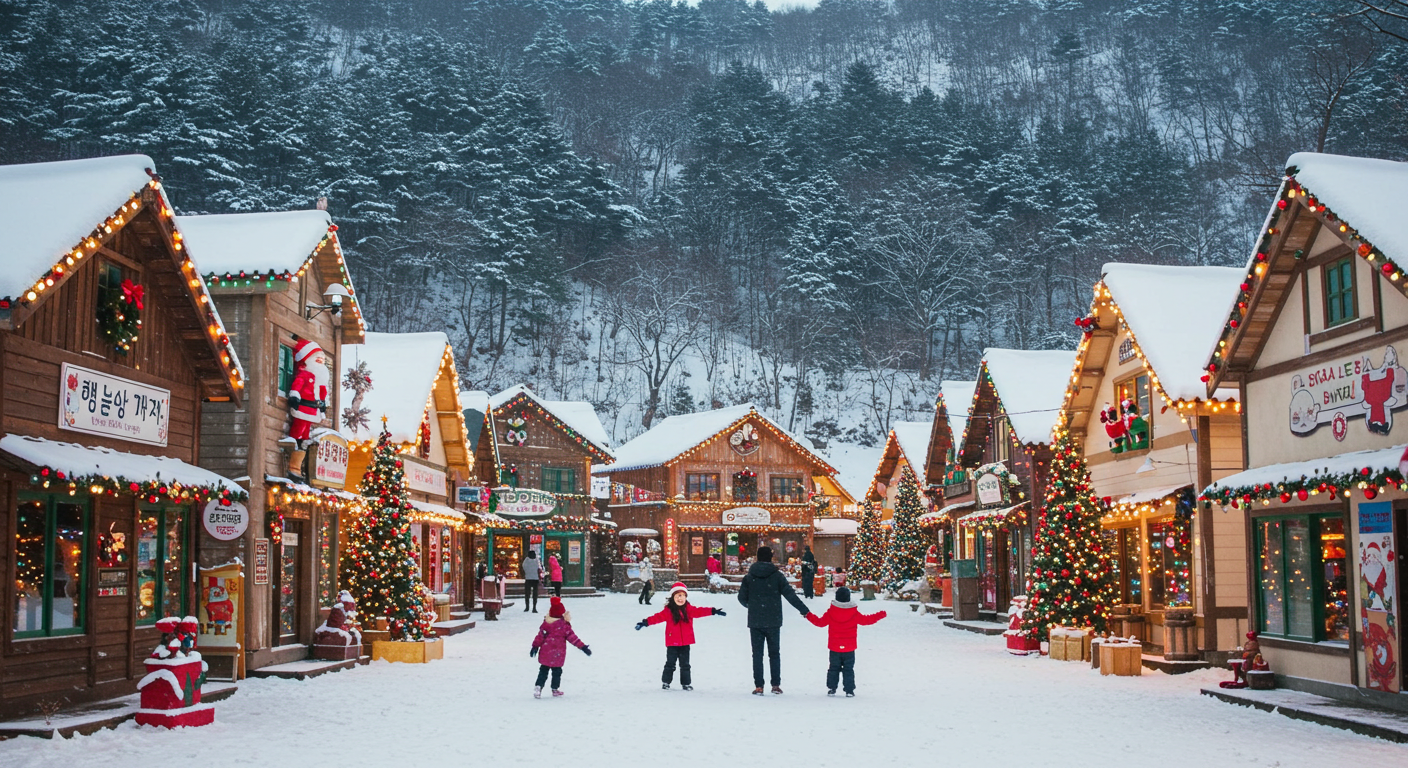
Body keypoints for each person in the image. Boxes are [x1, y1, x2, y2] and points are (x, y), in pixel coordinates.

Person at [737, 546, 810, 695]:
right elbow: (790, 595)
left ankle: (759, 686)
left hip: (755, 620)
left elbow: (741, 598)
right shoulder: (777, 576)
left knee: (757, 654)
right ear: (770, 558)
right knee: (774, 653)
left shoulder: (749, 576)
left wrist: (752, 606)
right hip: (773, 620)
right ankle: (775, 685)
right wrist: (804, 610)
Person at [637, 582, 726, 690]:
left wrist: (713, 611)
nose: (681, 598)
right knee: (670, 664)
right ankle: (666, 682)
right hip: (672, 642)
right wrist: (645, 622)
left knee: (685, 665)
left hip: (685, 642)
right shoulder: (668, 610)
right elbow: (657, 617)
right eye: (678, 596)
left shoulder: (689, 609)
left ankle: (686, 683)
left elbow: (700, 611)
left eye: (683, 596)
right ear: (673, 597)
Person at [805, 586, 886, 697]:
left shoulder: (831, 612)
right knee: (848, 669)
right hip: (849, 647)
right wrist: (880, 615)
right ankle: (849, 690)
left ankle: (832, 688)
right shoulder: (854, 613)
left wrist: (808, 615)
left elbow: (820, 622)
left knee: (833, 668)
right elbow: (867, 620)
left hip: (834, 647)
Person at [530, 597, 591, 698]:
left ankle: (538, 687)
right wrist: (583, 647)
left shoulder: (546, 624)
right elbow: (573, 638)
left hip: (546, 652)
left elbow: (540, 636)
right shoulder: (564, 626)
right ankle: (555, 689)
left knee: (543, 670)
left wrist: (535, 646)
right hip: (558, 654)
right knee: (557, 671)